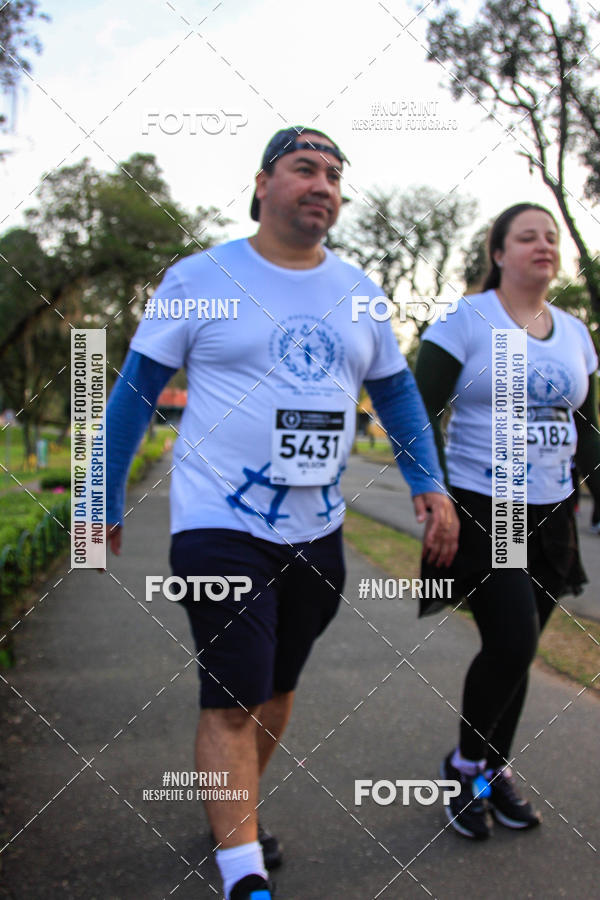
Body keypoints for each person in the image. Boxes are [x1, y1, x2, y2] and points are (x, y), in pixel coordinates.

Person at [104, 126, 458, 899]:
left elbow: (395, 392)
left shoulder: (359, 290)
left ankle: (233, 819)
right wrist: (100, 494)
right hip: (218, 525)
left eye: (335, 174)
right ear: (262, 183)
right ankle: (244, 873)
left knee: (275, 687)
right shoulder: (201, 277)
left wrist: (427, 482)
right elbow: (134, 388)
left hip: (317, 530)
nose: (323, 184)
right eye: (305, 168)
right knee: (234, 691)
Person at [415, 203, 600, 840]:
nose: (544, 245)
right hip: (486, 508)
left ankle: (493, 771)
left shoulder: (576, 333)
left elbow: (586, 430)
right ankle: (464, 767)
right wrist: (433, 496)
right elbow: (417, 417)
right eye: (528, 237)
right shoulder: (467, 322)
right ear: (498, 252)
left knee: (517, 653)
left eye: (551, 237)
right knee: (514, 641)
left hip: (551, 513)